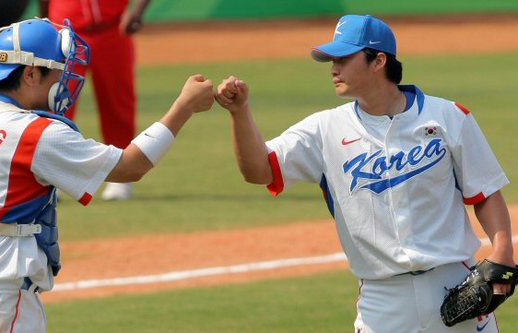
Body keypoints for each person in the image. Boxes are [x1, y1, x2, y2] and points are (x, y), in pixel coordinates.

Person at [215, 14, 515, 332]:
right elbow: (259, 170)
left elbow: (484, 193)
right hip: (383, 303)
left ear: (378, 61)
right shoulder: (324, 130)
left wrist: (503, 254)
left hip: (455, 283)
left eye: (343, 58)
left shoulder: (449, 117)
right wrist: (239, 113)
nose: (333, 68)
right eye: (332, 59)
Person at [0, 18, 213, 332]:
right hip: (0, 300)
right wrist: (184, 106)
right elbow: (131, 166)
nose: (66, 83)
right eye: (59, 73)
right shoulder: (35, 133)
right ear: (31, 73)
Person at [40, 0, 152, 200]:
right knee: (55, 105)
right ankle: (49, 177)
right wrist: (45, 20)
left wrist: (138, 11)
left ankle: (121, 175)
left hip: (113, 28)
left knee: (118, 103)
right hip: (65, 33)